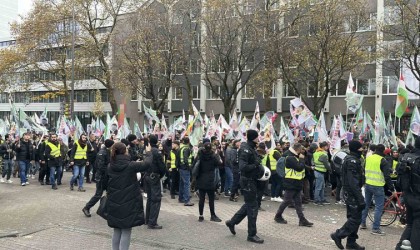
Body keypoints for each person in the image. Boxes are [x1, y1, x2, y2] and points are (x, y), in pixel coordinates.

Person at [107, 142, 153, 250]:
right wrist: (149, 152)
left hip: (114, 201)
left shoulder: (110, 166)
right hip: (128, 201)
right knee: (126, 230)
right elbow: (147, 164)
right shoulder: (131, 165)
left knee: (117, 229)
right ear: (124, 151)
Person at [225, 129, 265, 244]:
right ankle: (251, 235)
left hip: (252, 180)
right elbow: (243, 167)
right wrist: (256, 164)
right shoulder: (245, 149)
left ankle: (232, 222)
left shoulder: (251, 148)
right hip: (247, 181)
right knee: (253, 207)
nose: (259, 139)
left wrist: (258, 161)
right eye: (257, 137)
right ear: (254, 138)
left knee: (250, 205)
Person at [330, 140, 366, 250]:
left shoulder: (353, 159)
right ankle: (338, 235)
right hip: (352, 194)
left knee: (354, 218)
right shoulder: (352, 161)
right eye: (360, 148)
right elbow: (352, 182)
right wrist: (360, 198)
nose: (362, 150)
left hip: (352, 193)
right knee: (355, 219)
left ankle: (351, 242)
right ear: (356, 149)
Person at [274, 143, 313, 227]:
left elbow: (300, 166)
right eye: (301, 150)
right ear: (297, 149)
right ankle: (278, 216)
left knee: (298, 202)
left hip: (296, 182)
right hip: (291, 183)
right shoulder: (290, 157)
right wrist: (302, 160)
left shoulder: (293, 156)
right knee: (287, 201)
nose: (302, 152)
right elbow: (299, 168)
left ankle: (302, 220)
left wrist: (309, 167)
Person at [360, 144, 395, 236]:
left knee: (366, 204)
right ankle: (375, 228)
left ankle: (362, 223)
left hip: (368, 184)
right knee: (379, 207)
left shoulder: (369, 158)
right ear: (383, 151)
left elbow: (364, 169)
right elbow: (387, 177)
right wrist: (392, 188)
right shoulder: (383, 160)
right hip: (378, 186)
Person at [82, 139, 114, 217]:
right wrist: (110, 169)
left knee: (109, 193)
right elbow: (100, 167)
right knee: (98, 194)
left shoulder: (108, 151)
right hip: (101, 177)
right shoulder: (102, 153)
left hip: (107, 177)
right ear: (110, 145)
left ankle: (104, 209)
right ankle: (87, 207)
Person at [194, 140, 223, 222]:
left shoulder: (200, 155)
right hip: (210, 179)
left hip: (201, 179)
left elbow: (194, 164)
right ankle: (212, 215)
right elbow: (219, 164)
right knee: (211, 199)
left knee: (201, 199)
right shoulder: (213, 156)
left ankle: (201, 216)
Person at [144, 135, 166, 229]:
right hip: (154, 177)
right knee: (156, 199)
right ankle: (152, 222)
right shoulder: (157, 152)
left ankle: (147, 219)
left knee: (149, 198)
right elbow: (161, 166)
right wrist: (161, 175)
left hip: (147, 176)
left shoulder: (147, 151)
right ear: (156, 142)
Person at [313, 141, 332, 206]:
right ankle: (317, 200)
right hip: (320, 171)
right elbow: (326, 164)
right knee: (319, 187)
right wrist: (330, 169)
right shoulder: (323, 154)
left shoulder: (316, 152)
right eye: (327, 146)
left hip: (317, 171)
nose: (328, 147)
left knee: (321, 186)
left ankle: (321, 199)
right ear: (324, 147)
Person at [178, 137, 194, 206]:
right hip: (185, 168)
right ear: (188, 142)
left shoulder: (180, 148)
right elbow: (185, 159)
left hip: (181, 168)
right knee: (187, 184)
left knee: (182, 183)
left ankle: (181, 198)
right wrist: (189, 167)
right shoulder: (187, 148)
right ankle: (187, 200)